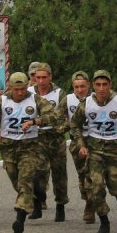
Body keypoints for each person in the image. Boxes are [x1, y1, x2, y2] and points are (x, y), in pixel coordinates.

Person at [0, 72, 58, 233]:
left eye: (23, 89)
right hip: (9, 148)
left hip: (29, 147)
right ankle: (38, 195)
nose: (20, 92)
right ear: (10, 87)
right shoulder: (1, 101)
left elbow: (53, 116)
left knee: (24, 182)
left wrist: (35, 121)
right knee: (17, 181)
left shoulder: (35, 99)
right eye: (16, 89)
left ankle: (20, 219)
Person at [70, 70, 117, 233]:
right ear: (93, 86)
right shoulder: (86, 103)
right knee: (96, 186)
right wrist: (81, 144)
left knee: (115, 186)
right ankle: (104, 220)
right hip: (95, 151)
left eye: (105, 84)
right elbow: (74, 125)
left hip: (115, 150)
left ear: (110, 85)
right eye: (98, 85)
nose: (101, 88)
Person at [28, 63, 69, 221]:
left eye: (44, 77)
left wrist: (61, 129)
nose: (41, 80)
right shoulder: (29, 92)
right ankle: (37, 204)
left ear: (50, 77)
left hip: (55, 138)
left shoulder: (59, 93)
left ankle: (60, 206)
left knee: (59, 173)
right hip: (36, 137)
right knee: (36, 172)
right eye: (37, 77)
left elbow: (66, 116)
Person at [58, 71, 94, 223]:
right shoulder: (68, 100)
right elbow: (57, 117)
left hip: (94, 141)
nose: (80, 90)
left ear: (88, 86)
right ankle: (87, 199)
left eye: (83, 87)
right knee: (82, 174)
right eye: (77, 87)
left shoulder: (95, 99)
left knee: (92, 174)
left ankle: (91, 206)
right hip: (76, 143)